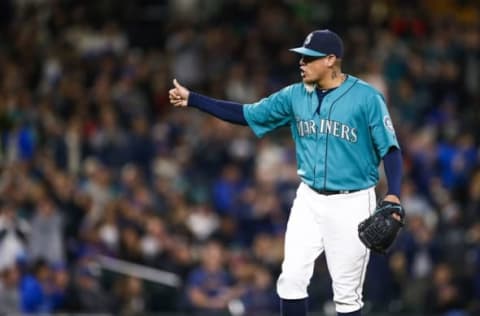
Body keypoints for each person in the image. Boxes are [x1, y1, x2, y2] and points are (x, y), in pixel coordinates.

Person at [169, 29, 403, 316]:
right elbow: (246, 114)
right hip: (309, 198)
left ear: (331, 60)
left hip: (352, 201)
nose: (301, 63)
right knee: (291, 279)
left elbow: (390, 149)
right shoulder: (294, 96)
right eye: (301, 57)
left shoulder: (367, 98)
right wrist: (194, 99)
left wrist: (393, 192)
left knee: (346, 295)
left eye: (309, 58)